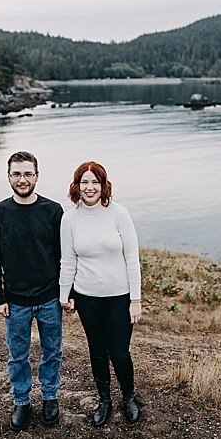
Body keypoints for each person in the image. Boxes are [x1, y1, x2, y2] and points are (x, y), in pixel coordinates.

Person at [59, 161, 143, 425]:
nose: (90, 187)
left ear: (103, 185)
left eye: (95, 182)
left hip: (119, 297)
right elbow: (68, 260)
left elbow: (132, 258)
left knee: (119, 352)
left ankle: (128, 397)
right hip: (87, 297)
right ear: (77, 186)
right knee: (96, 351)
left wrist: (135, 299)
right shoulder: (69, 218)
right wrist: (65, 294)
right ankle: (104, 400)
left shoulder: (119, 214)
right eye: (85, 182)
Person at [0, 151, 65, 430]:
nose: (22, 179)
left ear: (37, 176)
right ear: (9, 177)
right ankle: (21, 401)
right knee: (17, 355)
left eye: (27, 173)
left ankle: (50, 397)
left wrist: (66, 293)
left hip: (49, 298)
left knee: (52, 351)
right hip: (15, 301)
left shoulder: (53, 210)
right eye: (17, 174)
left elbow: (63, 256)